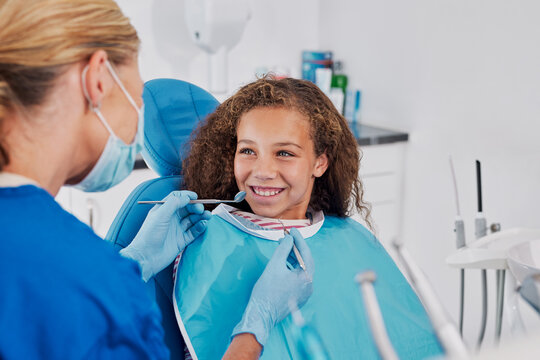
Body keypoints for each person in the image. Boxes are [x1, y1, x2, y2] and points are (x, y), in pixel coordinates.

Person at [0, 1, 313, 359]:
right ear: (97, 79)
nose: (138, 125)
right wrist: (256, 327)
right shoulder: (83, 282)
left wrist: (131, 266)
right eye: (137, 100)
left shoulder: (75, 276)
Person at [175, 77, 445, 359]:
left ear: (320, 162)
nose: (263, 170)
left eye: (284, 153)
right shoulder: (206, 242)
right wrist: (260, 318)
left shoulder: (350, 237)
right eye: (247, 151)